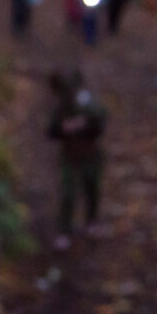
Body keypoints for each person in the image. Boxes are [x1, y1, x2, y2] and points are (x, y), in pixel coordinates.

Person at [46, 70, 107, 251]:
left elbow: (100, 123)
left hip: (91, 156)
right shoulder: (61, 108)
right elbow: (52, 130)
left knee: (92, 190)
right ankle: (64, 230)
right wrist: (64, 128)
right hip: (69, 157)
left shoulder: (88, 104)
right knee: (68, 194)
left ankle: (92, 221)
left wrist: (84, 124)